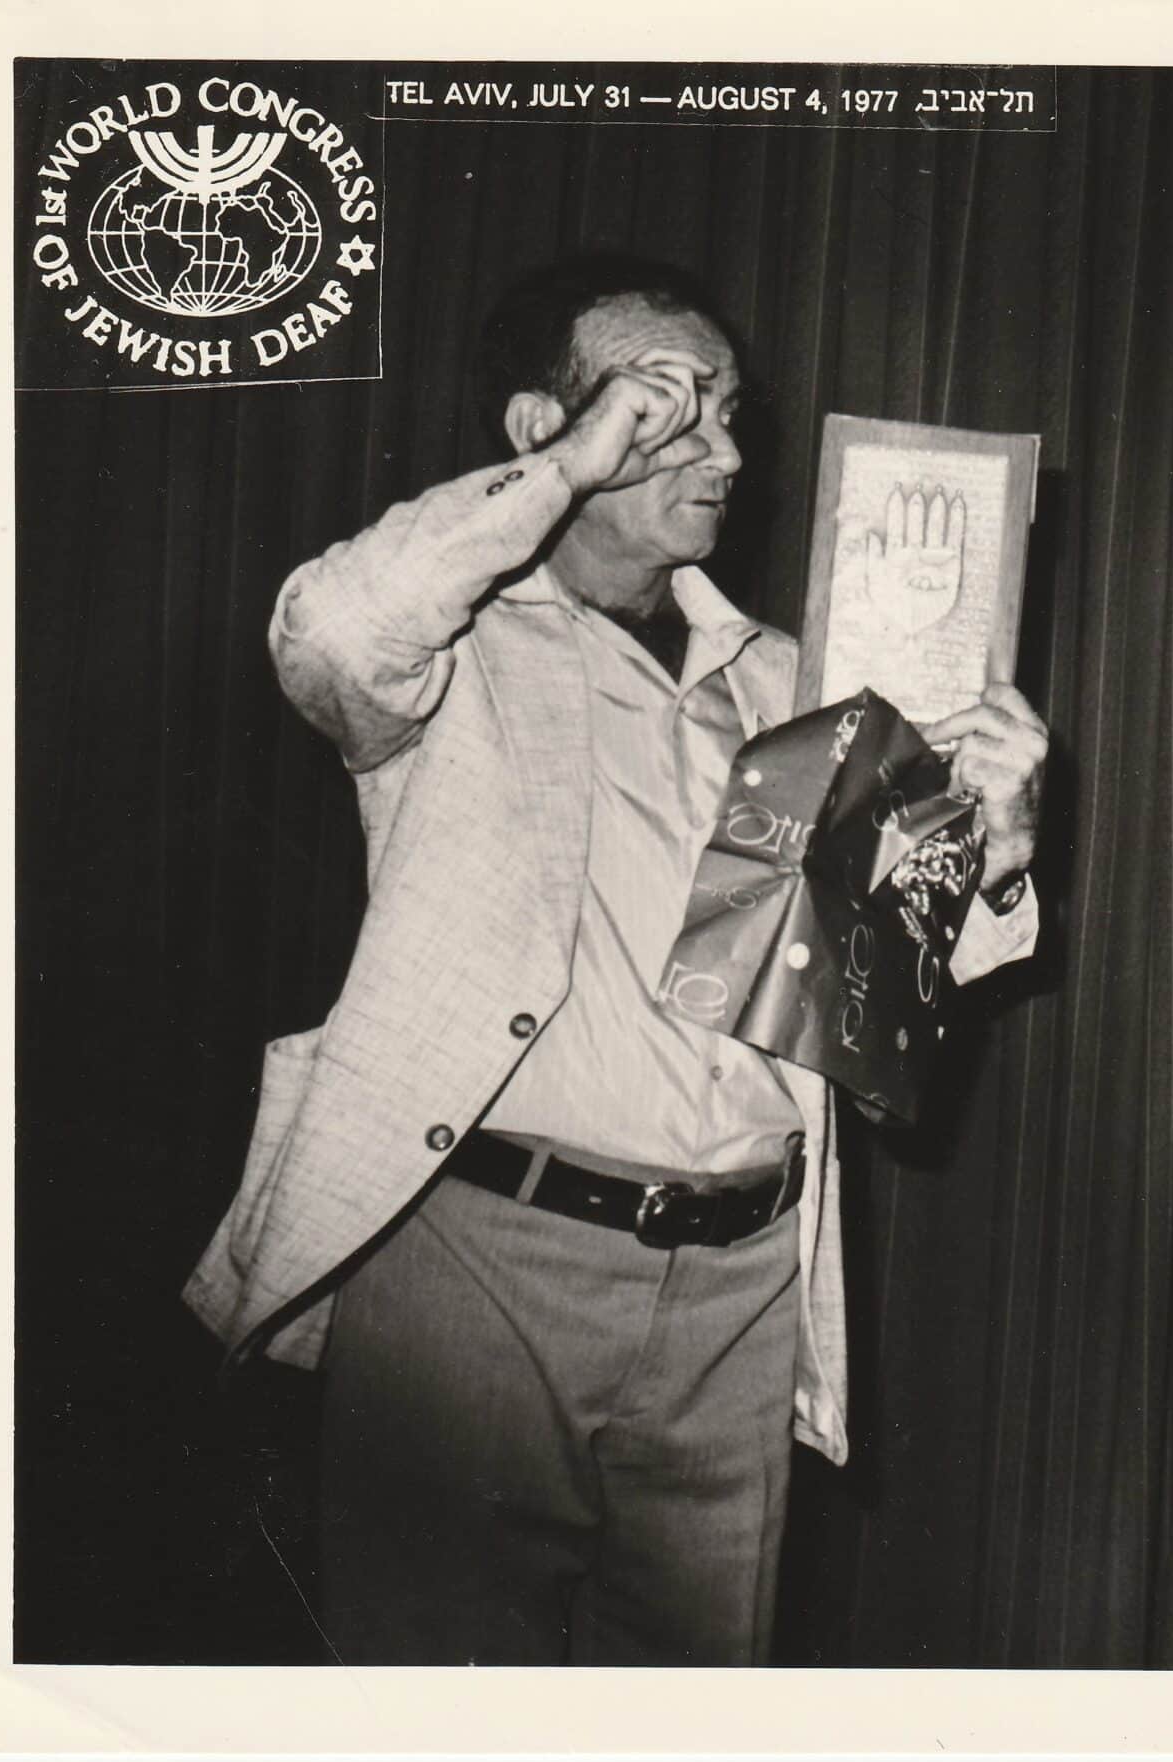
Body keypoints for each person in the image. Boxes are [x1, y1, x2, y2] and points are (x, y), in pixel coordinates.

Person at [183, 253, 1050, 1666]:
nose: (726, 449)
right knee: (438, 1725)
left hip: (742, 1288)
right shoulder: (450, 648)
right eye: (667, 406)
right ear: (547, 426)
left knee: (685, 1748)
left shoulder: (790, 681)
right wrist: (577, 461)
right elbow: (328, 631)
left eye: (729, 411)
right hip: (486, 1264)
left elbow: (878, 980)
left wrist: (993, 845)